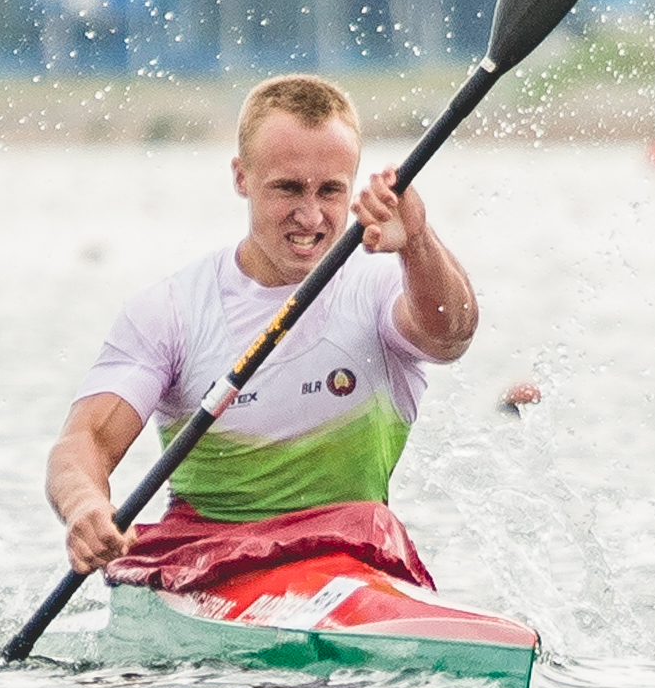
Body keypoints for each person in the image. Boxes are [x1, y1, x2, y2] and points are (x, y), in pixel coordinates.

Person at [47, 74, 477, 583]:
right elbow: (86, 441)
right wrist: (85, 506)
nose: (311, 215)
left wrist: (419, 242)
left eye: (330, 190)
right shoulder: (171, 311)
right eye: (288, 188)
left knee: (373, 523)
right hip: (207, 563)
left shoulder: (382, 286)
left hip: (352, 556)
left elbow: (450, 337)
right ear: (241, 176)